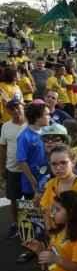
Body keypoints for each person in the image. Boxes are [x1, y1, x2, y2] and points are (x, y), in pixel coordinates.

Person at [0, 99, 25, 239]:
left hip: (29, 170)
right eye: (11, 109)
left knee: (31, 199)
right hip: (12, 169)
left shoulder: (31, 124)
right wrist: (2, 168)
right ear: (8, 111)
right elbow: (2, 148)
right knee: (14, 199)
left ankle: (33, 225)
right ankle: (16, 224)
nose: (15, 111)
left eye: (17, 107)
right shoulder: (5, 126)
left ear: (23, 107)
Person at [17, 102, 51, 203]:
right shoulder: (24, 137)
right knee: (34, 215)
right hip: (32, 185)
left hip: (47, 180)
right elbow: (21, 161)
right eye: (47, 114)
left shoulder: (47, 132)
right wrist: (33, 182)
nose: (49, 117)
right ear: (37, 117)